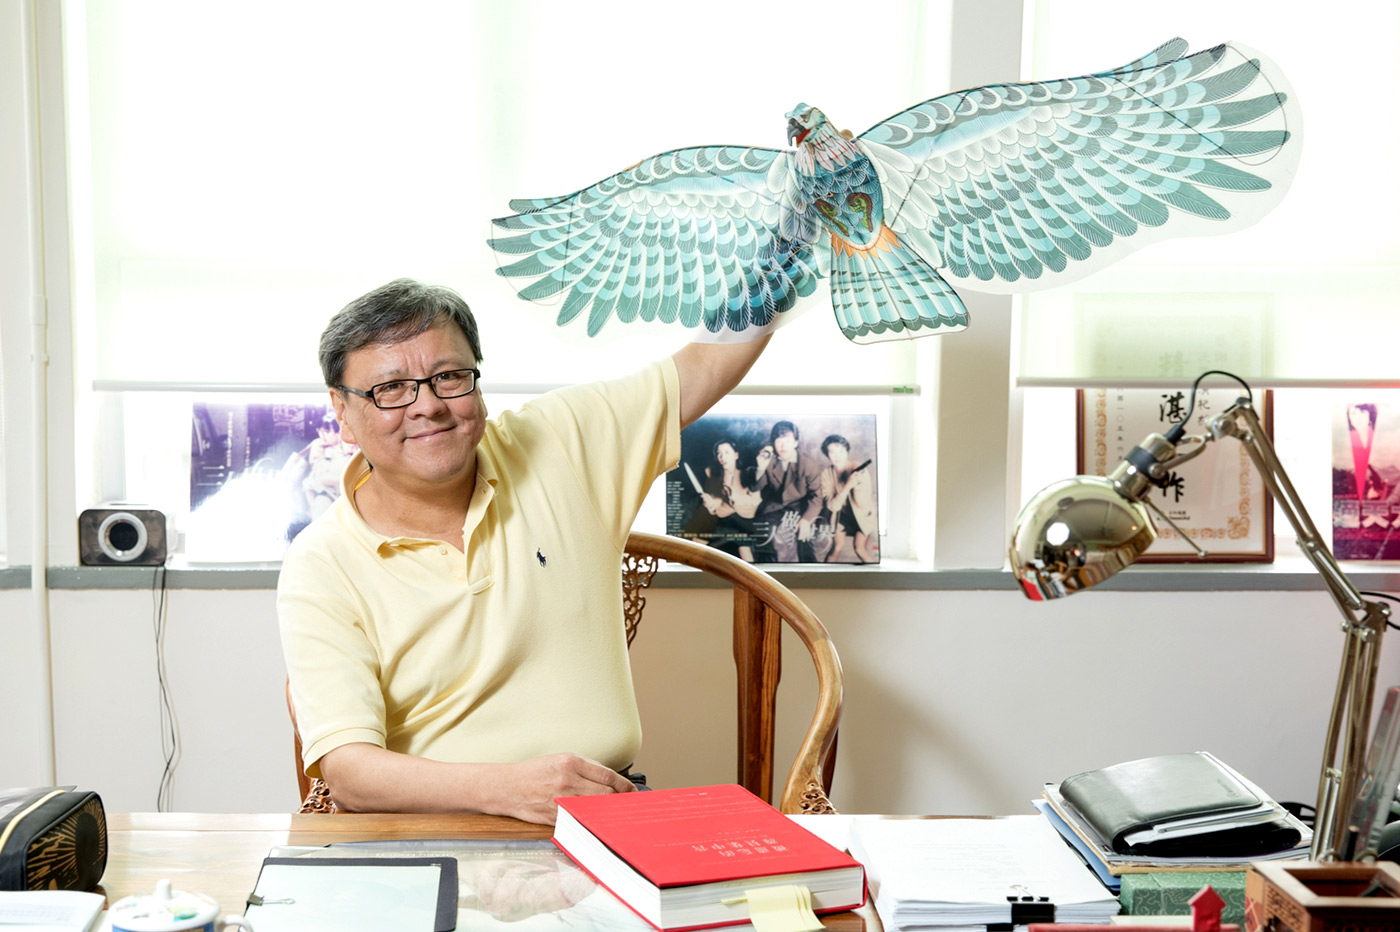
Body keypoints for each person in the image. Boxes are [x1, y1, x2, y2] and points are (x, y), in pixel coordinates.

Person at [276, 278, 771, 824]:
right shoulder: (321, 561)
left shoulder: (559, 443)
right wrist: (509, 789)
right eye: (391, 388)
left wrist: (797, 230)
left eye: (449, 376)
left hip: (598, 814)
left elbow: (706, 363)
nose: (429, 406)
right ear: (342, 413)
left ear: (477, 382)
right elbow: (348, 771)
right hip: (422, 828)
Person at [756, 420, 824, 562]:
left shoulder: (808, 464)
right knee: (763, 533)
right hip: (775, 505)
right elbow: (755, 488)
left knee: (806, 534)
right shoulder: (768, 460)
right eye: (779, 441)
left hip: (801, 505)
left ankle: (811, 573)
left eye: (787, 441)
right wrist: (760, 468)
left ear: (795, 442)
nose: (783, 446)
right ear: (773, 443)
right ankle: (767, 574)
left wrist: (806, 520)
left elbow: (817, 497)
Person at [818, 434, 877, 563]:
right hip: (841, 514)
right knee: (836, 548)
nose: (837, 456)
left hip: (862, 514)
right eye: (832, 452)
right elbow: (832, 506)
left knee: (860, 548)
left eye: (841, 451)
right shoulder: (826, 473)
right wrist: (848, 485)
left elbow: (862, 504)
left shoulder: (859, 469)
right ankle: (823, 579)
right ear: (827, 455)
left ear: (847, 452)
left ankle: (878, 577)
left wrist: (857, 489)